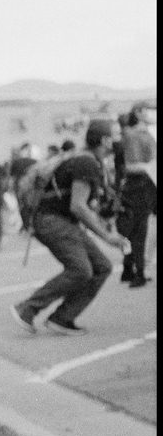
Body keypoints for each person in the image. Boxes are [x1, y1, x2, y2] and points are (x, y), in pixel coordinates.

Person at [11, 119, 130, 336]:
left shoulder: (84, 159)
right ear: (104, 140)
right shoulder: (86, 163)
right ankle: (27, 308)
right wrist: (107, 236)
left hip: (58, 220)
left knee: (101, 267)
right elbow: (78, 206)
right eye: (114, 136)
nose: (117, 140)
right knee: (80, 270)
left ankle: (62, 318)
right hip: (52, 221)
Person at [116, 103, 156, 287]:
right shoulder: (133, 135)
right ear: (138, 113)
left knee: (140, 229)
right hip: (139, 186)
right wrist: (150, 167)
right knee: (138, 230)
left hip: (147, 185)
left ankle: (133, 268)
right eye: (149, 110)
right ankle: (137, 269)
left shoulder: (147, 133)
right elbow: (131, 166)